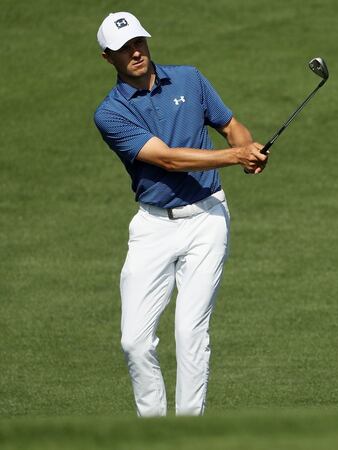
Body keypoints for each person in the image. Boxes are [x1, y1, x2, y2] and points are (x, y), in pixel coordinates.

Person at [94, 11, 268, 416]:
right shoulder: (110, 113)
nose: (135, 52)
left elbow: (231, 126)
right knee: (134, 341)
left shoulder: (189, 78)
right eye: (123, 49)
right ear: (108, 57)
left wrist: (248, 149)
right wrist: (235, 156)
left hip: (208, 219)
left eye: (138, 42)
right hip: (153, 226)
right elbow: (168, 159)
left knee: (190, 332)